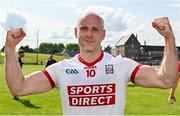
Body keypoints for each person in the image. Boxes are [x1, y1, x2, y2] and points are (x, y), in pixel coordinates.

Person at [4, 12, 178, 115]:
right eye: (84, 28)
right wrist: (10, 48)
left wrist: (169, 38)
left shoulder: (122, 65)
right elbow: (19, 88)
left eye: (95, 29)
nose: (89, 33)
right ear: (75, 32)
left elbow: (166, 80)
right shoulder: (61, 69)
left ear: (103, 34)